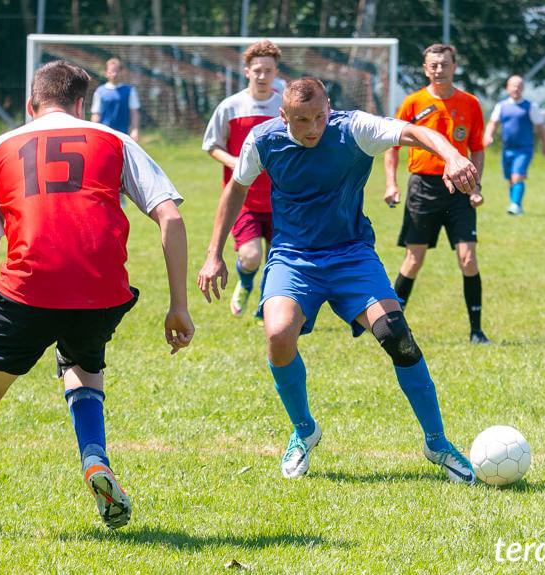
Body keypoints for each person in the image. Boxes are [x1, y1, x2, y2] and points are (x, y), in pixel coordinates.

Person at [0, 60, 194, 534]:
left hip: (25, 292)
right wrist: (178, 305)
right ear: (81, 105)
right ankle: (95, 461)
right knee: (83, 366)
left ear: (32, 106)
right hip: (101, 291)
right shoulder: (114, 140)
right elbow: (171, 219)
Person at [198, 77, 479, 484]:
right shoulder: (264, 140)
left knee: (397, 337)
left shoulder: (353, 129)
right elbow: (236, 190)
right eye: (301, 120)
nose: (313, 128)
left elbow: (414, 132)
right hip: (293, 258)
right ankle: (303, 431)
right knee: (278, 335)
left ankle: (437, 442)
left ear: (329, 106)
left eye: (319, 117)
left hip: (351, 255)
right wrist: (213, 254)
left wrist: (452, 156)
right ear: (283, 115)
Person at [383, 44, 491, 345]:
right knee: (413, 260)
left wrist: (475, 186)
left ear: (454, 66)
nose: (438, 69)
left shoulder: (470, 103)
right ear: (425, 68)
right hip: (423, 188)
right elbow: (391, 146)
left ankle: (477, 331)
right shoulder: (412, 103)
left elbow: (477, 148)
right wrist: (391, 184)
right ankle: (393, 327)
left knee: (468, 259)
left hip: (459, 190)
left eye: (444, 64)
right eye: (433, 64)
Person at [202, 40, 283, 317]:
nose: (262, 76)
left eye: (268, 71)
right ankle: (246, 283)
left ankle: (266, 308)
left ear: (276, 73)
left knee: (279, 260)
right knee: (250, 257)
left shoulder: (286, 105)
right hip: (243, 199)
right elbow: (212, 145)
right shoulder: (231, 106)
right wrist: (237, 164)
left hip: (282, 198)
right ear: (247, 71)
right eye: (257, 70)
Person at [482, 75, 545, 215]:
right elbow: (492, 123)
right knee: (510, 179)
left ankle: (515, 205)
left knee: (517, 176)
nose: (516, 88)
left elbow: (540, 128)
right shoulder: (501, 106)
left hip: (525, 149)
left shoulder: (531, 107)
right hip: (507, 149)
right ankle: (515, 205)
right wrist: (488, 135)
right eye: (513, 85)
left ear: (523, 88)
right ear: (508, 88)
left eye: (519, 85)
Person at [91, 57, 140, 141]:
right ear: (106, 73)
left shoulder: (130, 91)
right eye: (111, 72)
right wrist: (92, 132)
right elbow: (96, 114)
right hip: (104, 135)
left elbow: (134, 112)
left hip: (123, 135)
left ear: (121, 72)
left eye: (116, 72)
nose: (114, 74)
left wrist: (135, 130)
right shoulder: (99, 91)